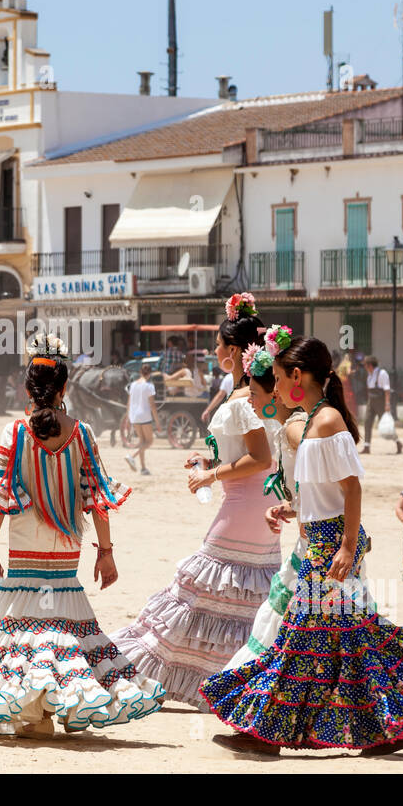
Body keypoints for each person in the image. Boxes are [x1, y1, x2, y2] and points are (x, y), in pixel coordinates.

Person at [200, 335, 403, 755]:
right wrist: (292, 513)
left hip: (331, 546)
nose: (274, 388)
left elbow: (352, 490)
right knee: (349, 638)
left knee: (302, 639)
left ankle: (265, 733)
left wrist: (347, 547)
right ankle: (398, 728)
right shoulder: (313, 419)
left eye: (277, 379)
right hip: (320, 539)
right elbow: (325, 491)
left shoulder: (327, 421)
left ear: (298, 376)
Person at [0, 333, 163, 736]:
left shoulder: (14, 433)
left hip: (24, 547)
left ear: (27, 388)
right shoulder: (82, 432)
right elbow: (97, 499)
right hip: (66, 550)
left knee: (17, 627)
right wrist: (106, 552)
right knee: (61, 627)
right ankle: (50, 708)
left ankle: (33, 714)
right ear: (64, 388)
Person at [111, 303, 280, 707]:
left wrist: (210, 475)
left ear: (237, 350)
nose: (212, 352)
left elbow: (260, 459)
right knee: (242, 598)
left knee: (199, 589)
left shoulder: (244, 397)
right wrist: (208, 461)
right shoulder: (252, 393)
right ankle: (229, 678)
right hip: (259, 504)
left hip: (244, 504)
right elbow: (248, 453)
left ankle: (154, 669)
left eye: (218, 345)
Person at [361, 356, 401, 455]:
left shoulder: (382, 374)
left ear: (370, 365)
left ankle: (398, 442)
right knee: (367, 422)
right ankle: (367, 446)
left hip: (381, 403)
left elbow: (387, 390)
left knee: (386, 425)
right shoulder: (369, 375)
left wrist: (387, 404)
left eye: (365, 365)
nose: (364, 367)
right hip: (371, 402)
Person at [123, 363, 159, 476]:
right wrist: (157, 422)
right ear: (150, 373)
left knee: (142, 442)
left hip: (134, 417)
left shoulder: (133, 385)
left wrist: (128, 419)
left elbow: (128, 403)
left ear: (140, 372)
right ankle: (132, 456)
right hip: (145, 416)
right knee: (149, 442)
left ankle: (143, 468)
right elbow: (152, 405)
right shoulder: (149, 386)